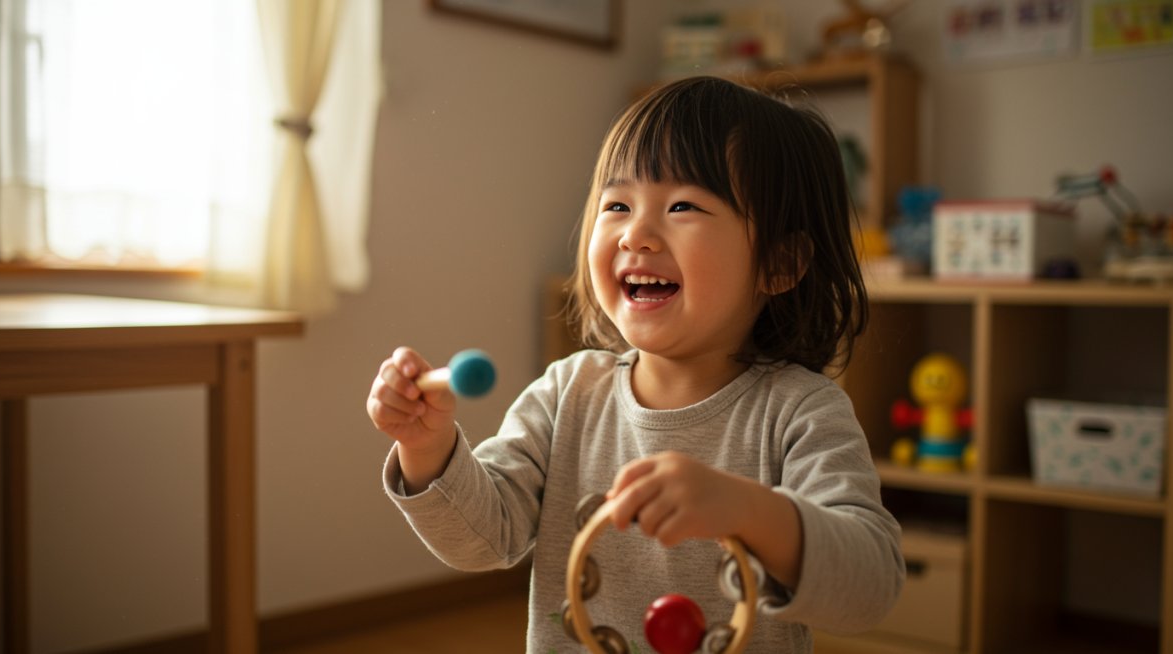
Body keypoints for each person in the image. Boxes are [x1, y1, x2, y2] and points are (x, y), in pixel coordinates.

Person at [367, 76, 903, 653]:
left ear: (779, 263)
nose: (637, 234)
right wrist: (427, 449)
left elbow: (870, 587)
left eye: (683, 206)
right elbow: (482, 541)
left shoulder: (801, 411)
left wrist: (752, 510)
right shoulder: (567, 393)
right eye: (617, 204)